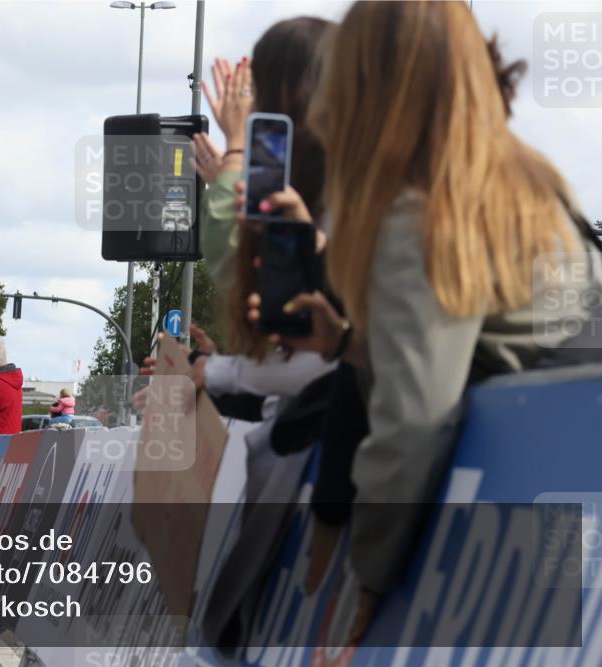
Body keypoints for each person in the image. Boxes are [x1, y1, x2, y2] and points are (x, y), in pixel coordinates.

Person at [247, 0, 602, 641]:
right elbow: (481, 343)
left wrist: (366, 584)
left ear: (372, 88)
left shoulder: (421, 215)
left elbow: (414, 419)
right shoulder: (524, 177)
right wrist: (349, 343)